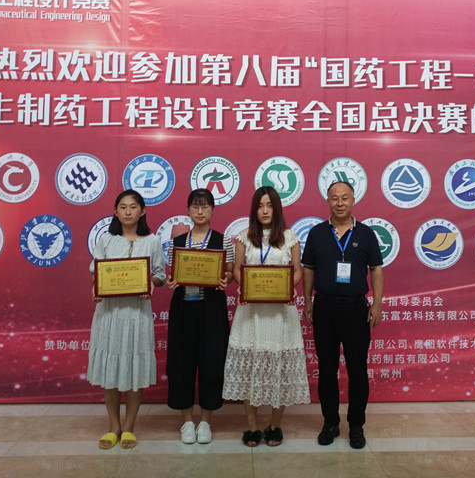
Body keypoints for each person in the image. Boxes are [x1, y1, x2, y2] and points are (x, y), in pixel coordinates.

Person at [223, 186, 310, 447]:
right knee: (250, 367)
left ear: (277, 209)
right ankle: (252, 427)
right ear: (254, 209)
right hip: (251, 312)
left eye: (269, 205)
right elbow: (237, 270)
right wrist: (248, 286)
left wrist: (288, 287)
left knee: (278, 368)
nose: (264, 210)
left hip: (281, 312)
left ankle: (274, 426)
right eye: (260, 206)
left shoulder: (290, 237)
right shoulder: (243, 237)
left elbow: (297, 271)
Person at [302, 181, 384, 450]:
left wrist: (377, 304)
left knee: (357, 369)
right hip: (324, 308)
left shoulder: (367, 234)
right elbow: (308, 268)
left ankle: (356, 425)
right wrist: (307, 301)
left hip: (356, 309)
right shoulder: (316, 233)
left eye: (344, 198)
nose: (339, 203)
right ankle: (330, 423)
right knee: (327, 369)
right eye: (334, 198)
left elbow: (376, 269)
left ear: (353, 200)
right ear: (328, 201)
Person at [87, 189, 166, 450]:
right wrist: (96, 286)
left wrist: (151, 282)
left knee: (134, 370)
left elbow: (160, 274)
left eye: (133, 207)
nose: (128, 211)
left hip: (137, 314)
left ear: (143, 211)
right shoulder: (107, 240)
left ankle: (129, 427)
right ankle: (114, 427)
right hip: (109, 314)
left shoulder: (152, 241)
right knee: (110, 370)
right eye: (123, 207)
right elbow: (95, 273)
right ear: (115, 211)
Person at [165, 188, 234, 444]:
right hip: (183, 309)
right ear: (188, 210)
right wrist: (172, 281)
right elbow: (173, 273)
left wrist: (225, 279)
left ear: (213, 210)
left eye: (205, 206)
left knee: (211, 363)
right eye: (195, 206)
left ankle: (205, 420)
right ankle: (186, 421)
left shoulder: (223, 240)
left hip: (211, 310)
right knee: (181, 363)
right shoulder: (177, 242)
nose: (200, 211)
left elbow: (229, 271)